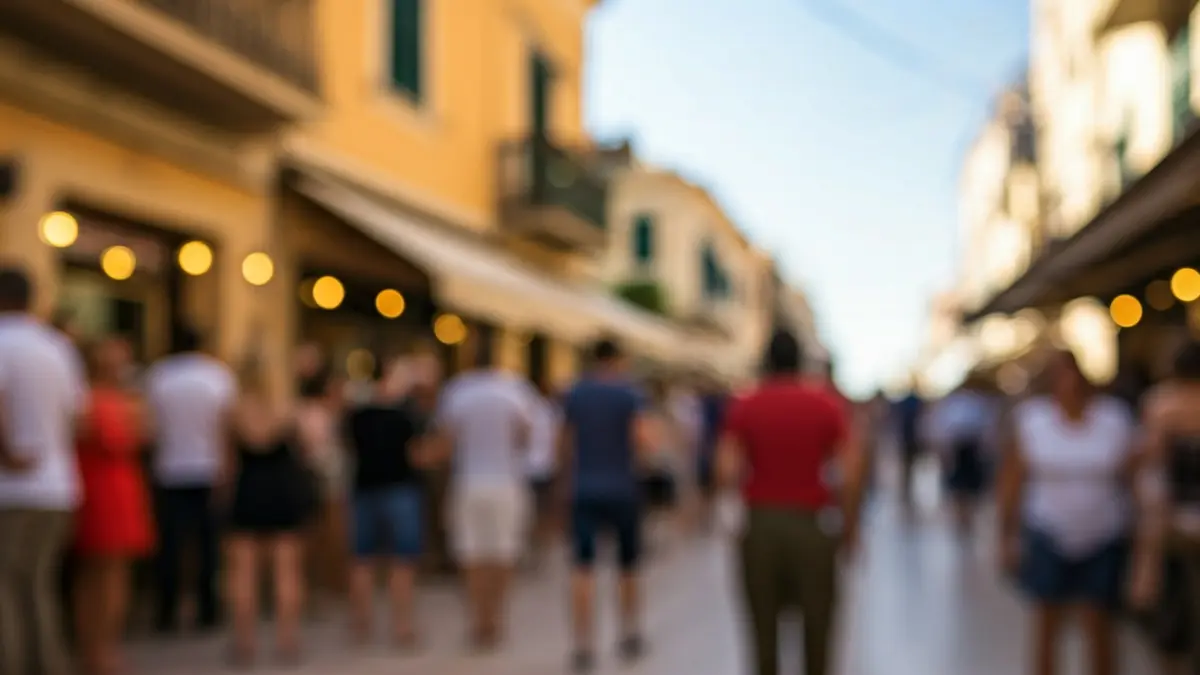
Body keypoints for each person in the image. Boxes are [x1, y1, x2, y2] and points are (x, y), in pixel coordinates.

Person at [716, 329, 865, 675]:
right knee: (818, 628)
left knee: (762, 631)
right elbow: (851, 470)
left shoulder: (746, 404)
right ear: (800, 362)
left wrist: (729, 512)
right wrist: (851, 526)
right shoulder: (825, 404)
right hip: (812, 525)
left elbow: (725, 469)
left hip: (761, 524)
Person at [998, 350, 1138, 675]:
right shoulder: (1032, 419)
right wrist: (1007, 535)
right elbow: (1012, 479)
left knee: (1099, 623)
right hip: (1047, 529)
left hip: (1103, 531)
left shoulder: (1113, 418)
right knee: (1047, 622)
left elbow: (1133, 477)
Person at [0, 266, 86, 675]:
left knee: (7, 589)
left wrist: (9, 454)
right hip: (58, 486)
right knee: (39, 586)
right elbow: (77, 418)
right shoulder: (57, 347)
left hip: (12, 489)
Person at [436, 334, 537, 649]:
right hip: (506, 482)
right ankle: (497, 617)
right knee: (503, 552)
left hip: (469, 481)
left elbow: (446, 442)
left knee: (472, 553)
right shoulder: (515, 392)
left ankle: (478, 620)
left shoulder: (458, 391)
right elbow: (526, 437)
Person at [560, 338, 655, 673]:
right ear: (619, 360)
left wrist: (566, 481)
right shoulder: (630, 394)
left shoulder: (575, 393)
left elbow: (565, 442)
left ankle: (583, 644)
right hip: (622, 490)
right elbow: (641, 439)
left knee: (582, 567)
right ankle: (629, 632)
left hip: (584, 488)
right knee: (627, 566)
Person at [144, 324, 236, 633]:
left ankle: (166, 610)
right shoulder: (217, 376)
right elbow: (225, 427)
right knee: (207, 544)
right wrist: (227, 468)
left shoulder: (159, 375)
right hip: (208, 468)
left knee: (170, 543)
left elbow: (150, 426)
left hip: (169, 468)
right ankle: (207, 609)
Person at [224, 359, 315, 666]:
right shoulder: (287, 409)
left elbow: (226, 460)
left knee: (243, 573)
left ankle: (244, 641)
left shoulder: (234, 411)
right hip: (282, 490)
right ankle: (287, 639)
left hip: (248, 489)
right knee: (287, 571)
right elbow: (305, 449)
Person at [72, 337, 154, 675]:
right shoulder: (108, 402)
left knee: (101, 573)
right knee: (104, 574)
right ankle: (99, 649)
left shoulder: (90, 400)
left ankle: (98, 648)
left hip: (108, 488)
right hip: (104, 489)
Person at [343, 355, 435, 648]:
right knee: (402, 561)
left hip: (364, 488)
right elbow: (418, 455)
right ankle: (402, 627)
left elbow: (348, 447)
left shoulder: (358, 412)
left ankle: (361, 624)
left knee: (362, 560)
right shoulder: (407, 415)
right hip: (400, 489)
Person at [1129, 340, 1200, 673]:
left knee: (1173, 612)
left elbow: (1152, 465)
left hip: (1172, 520)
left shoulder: (1162, 404)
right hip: (1178, 517)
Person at [925, 373, 998, 534]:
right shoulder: (955, 404)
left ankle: (967, 518)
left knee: (970, 488)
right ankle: (961, 519)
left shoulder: (976, 402)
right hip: (959, 449)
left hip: (971, 449)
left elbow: (986, 428)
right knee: (959, 487)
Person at [525, 378, 561, 568]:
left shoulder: (529, 409)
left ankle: (537, 545)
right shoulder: (548, 411)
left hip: (531, 466)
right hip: (541, 465)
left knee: (537, 507)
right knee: (542, 508)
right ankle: (540, 546)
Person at [893, 384, 926, 511]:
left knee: (909, 466)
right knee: (907, 466)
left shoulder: (913, 402)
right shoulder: (911, 402)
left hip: (911, 438)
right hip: (908, 438)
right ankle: (905, 490)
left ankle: (907, 489)